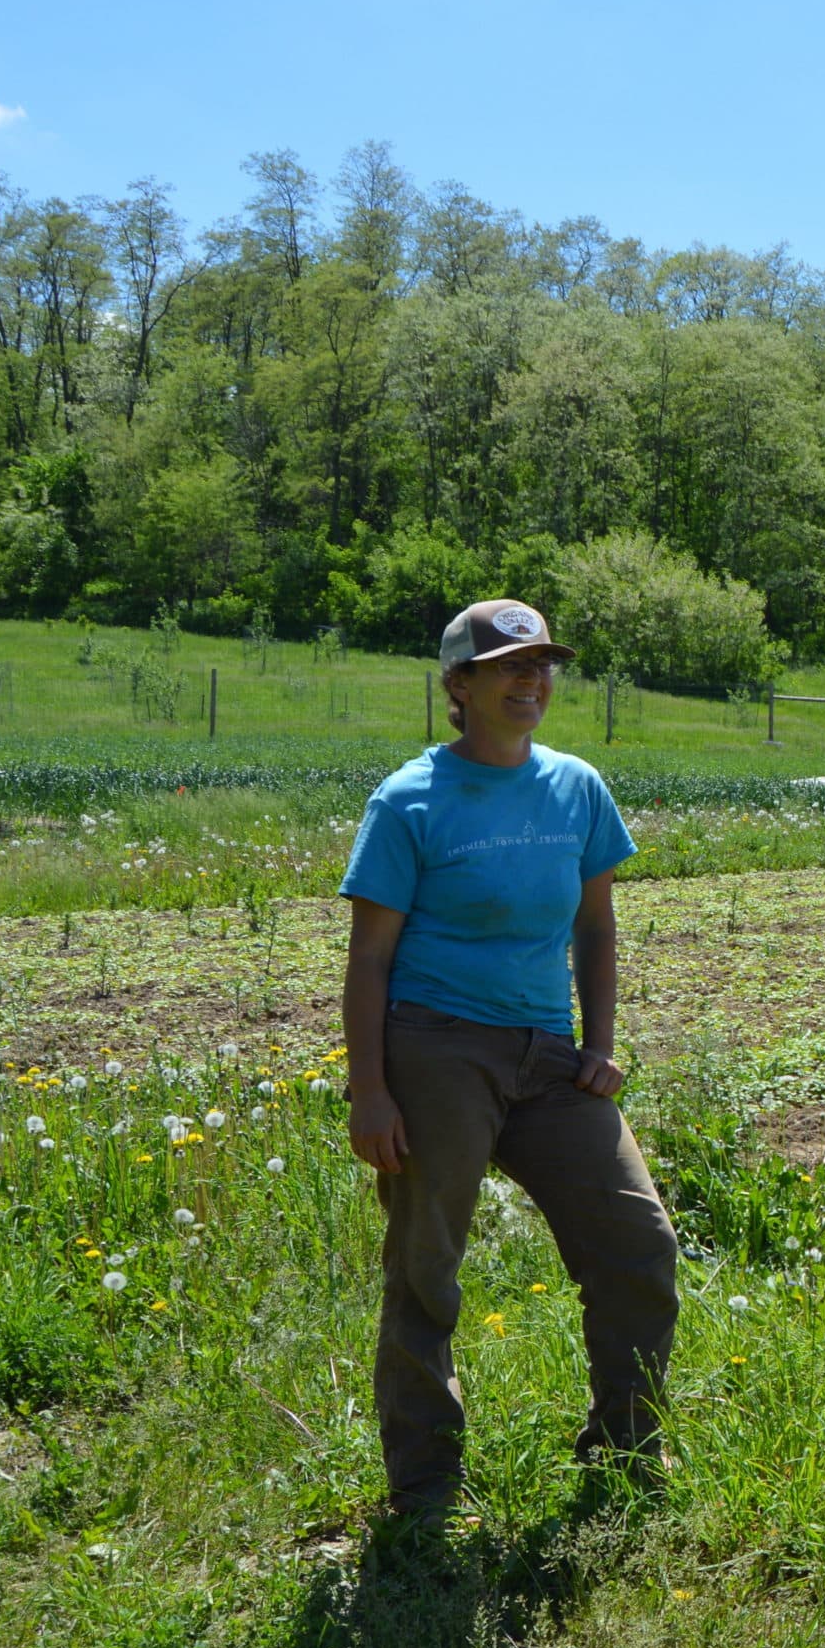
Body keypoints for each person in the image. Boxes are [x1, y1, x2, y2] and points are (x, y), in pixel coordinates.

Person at [337, 598, 679, 1516]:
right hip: (437, 1047)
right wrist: (369, 1089)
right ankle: (426, 1485)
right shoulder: (410, 798)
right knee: (427, 1263)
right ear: (460, 686)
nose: (532, 681)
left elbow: (596, 925)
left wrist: (599, 1044)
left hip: (548, 1056)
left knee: (637, 1240)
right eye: (508, 667)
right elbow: (368, 957)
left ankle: (626, 1451)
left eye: (542, 666)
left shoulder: (576, 788)